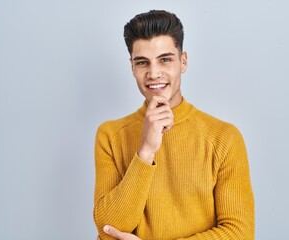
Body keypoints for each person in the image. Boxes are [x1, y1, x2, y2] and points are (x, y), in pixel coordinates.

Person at [94, 10, 254, 240]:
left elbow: (240, 234)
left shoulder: (224, 137)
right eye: (142, 63)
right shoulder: (110, 135)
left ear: (183, 61)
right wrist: (146, 151)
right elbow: (108, 229)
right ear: (132, 68)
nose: (154, 73)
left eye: (165, 59)